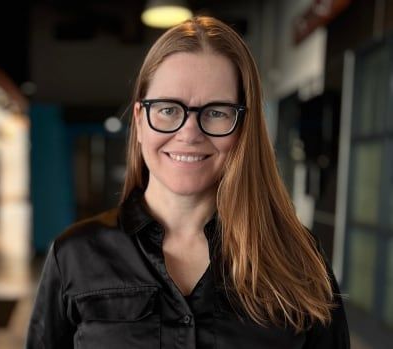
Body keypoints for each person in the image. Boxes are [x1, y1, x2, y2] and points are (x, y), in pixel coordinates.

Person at [25, 16, 349, 349]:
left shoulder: (298, 257)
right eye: (168, 109)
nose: (189, 133)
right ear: (140, 120)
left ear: (243, 127)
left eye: (217, 112)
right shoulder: (74, 254)